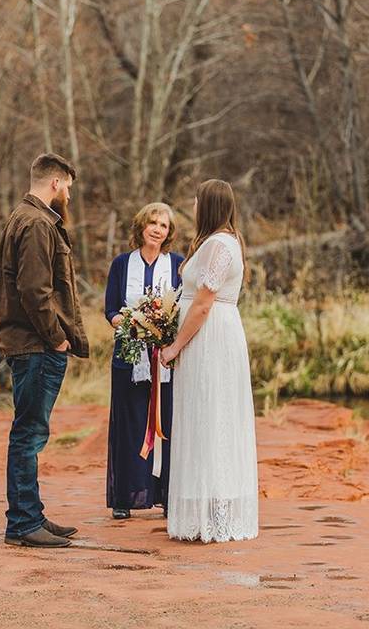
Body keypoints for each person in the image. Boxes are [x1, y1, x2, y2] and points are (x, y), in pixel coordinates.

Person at [0, 153, 89, 548]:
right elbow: (35, 292)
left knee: (29, 431)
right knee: (29, 434)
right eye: (67, 185)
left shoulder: (26, 217)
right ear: (55, 183)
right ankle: (22, 524)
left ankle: (31, 515)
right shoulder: (35, 223)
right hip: (35, 346)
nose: (68, 192)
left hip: (31, 344)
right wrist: (56, 338)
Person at [160, 179, 258, 543]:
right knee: (204, 414)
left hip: (209, 336)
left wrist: (174, 347)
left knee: (212, 415)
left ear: (209, 205)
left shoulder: (219, 245)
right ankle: (204, 510)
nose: (194, 206)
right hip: (213, 332)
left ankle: (216, 514)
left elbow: (202, 303)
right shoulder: (220, 241)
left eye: (198, 201)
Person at [104, 203, 183, 520]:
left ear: (169, 233)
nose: (157, 229)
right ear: (141, 226)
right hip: (129, 355)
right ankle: (125, 496)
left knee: (165, 425)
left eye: (163, 225)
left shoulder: (177, 264)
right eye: (152, 222)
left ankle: (165, 495)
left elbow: (182, 310)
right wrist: (124, 322)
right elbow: (110, 308)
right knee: (129, 426)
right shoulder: (122, 264)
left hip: (164, 361)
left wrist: (166, 333)